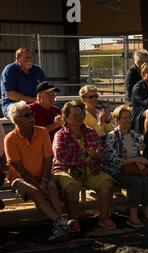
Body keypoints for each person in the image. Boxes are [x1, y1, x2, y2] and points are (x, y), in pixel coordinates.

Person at [5, 101, 74, 241]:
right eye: (27, 115)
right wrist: (37, 184)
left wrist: (43, 179)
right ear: (16, 120)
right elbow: (19, 170)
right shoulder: (10, 139)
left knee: (52, 189)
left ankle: (59, 227)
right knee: (36, 192)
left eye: (32, 113)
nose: (32, 117)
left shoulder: (42, 132)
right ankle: (60, 222)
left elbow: (48, 159)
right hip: (20, 179)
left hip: (43, 174)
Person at [52, 101, 116, 231]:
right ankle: (73, 220)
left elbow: (101, 151)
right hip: (66, 170)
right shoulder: (61, 135)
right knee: (71, 188)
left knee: (107, 183)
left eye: (80, 114)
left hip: (90, 169)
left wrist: (97, 155)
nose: (79, 117)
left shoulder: (91, 131)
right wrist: (86, 159)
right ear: (66, 118)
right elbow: (62, 157)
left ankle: (104, 218)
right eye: (74, 115)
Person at [103, 105, 148, 227]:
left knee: (145, 181)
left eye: (129, 117)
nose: (128, 120)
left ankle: (147, 213)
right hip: (115, 170)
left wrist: (139, 162)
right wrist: (136, 159)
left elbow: (135, 153)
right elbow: (114, 161)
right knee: (136, 182)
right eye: (124, 118)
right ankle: (133, 216)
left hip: (130, 169)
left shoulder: (133, 135)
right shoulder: (112, 136)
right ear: (116, 120)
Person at [1, 48, 46, 118]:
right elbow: (9, 94)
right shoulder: (10, 70)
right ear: (17, 59)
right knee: (22, 112)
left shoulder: (37, 70)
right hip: (12, 104)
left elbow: (45, 89)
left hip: (35, 103)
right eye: (26, 58)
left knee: (60, 109)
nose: (29, 60)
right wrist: (33, 100)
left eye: (30, 58)